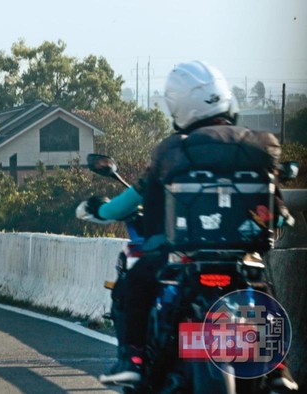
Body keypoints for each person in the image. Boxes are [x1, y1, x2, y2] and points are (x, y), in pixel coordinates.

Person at [82, 60, 297, 391]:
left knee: (133, 283)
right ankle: (279, 368)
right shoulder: (262, 145)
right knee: (263, 289)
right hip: (241, 257)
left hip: (184, 257)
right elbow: (278, 212)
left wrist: (102, 209)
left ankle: (132, 362)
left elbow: (132, 199)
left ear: (178, 106)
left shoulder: (173, 150)